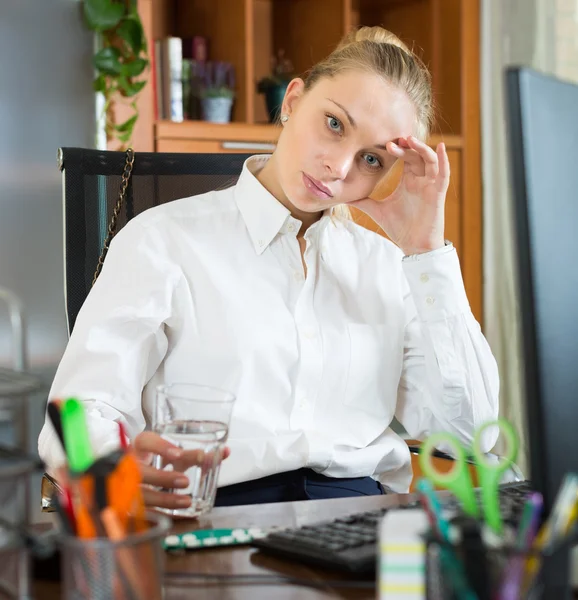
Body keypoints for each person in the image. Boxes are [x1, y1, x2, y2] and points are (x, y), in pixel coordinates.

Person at [39, 26, 499, 510]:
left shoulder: (387, 267)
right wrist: (111, 466)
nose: (339, 167)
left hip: (359, 521)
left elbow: (469, 437)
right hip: (212, 517)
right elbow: (79, 410)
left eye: (371, 158)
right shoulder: (163, 240)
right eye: (335, 124)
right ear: (293, 100)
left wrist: (425, 253)